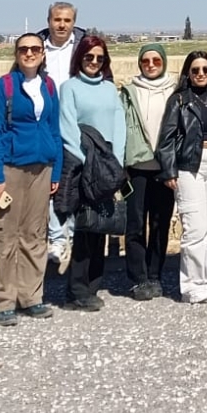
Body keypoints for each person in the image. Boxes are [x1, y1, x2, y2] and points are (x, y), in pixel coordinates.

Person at [0, 33, 63, 322]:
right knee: (6, 234)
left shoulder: (49, 86)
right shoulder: (3, 87)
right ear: (16, 53)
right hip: (12, 169)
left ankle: (31, 296)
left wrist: (56, 170)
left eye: (35, 49)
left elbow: (55, 129)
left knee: (35, 234)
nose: (30, 53)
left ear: (43, 54)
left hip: (42, 168)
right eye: (24, 49)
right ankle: (3, 300)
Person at [56, 34, 127, 308]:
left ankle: (93, 286)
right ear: (80, 58)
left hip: (109, 163)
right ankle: (76, 290)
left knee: (103, 225)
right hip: (85, 164)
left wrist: (116, 162)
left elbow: (118, 124)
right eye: (89, 57)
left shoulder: (110, 88)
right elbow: (68, 126)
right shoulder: (69, 87)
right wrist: (88, 161)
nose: (94, 62)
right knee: (85, 227)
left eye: (100, 58)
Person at [162, 51, 207, 305]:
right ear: (188, 73)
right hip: (190, 166)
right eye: (195, 70)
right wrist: (170, 170)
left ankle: (203, 280)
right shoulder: (179, 101)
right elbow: (167, 139)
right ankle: (192, 286)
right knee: (193, 229)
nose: (201, 74)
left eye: (206, 69)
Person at [120, 44, 177, 300]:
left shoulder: (175, 91)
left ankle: (155, 274)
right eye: (146, 61)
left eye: (156, 60)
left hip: (164, 169)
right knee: (134, 224)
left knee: (159, 223)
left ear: (163, 61)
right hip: (137, 168)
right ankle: (138, 278)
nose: (151, 65)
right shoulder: (129, 92)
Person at [39, 3, 82, 272]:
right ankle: (56, 239)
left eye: (67, 20)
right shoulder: (36, 46)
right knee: (50, 182)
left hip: (76, 120)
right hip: (45, 121)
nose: (62, 25)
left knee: (76, 180)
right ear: (49, 20)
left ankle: (75, 237)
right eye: (57, 19)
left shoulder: (83, 47)